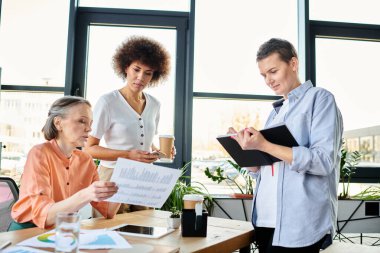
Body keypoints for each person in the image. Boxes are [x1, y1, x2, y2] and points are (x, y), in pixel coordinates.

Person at [229, 38, 343, 253]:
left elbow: (324, 161)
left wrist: (265, 145)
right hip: (265, 222)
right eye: (264, 75)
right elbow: (270, 169)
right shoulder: (276, 112)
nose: (268, 80)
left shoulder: (320, 99)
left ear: (293, 64)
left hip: (300, 227)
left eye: (273, 71)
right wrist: (247, 153)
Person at [84, 36, 173, 213]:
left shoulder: (155, 104)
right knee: (108, 232)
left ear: (154, 76)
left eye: (148, 73)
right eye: (136, 69)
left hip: (144, 179)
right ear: (126, 67)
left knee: (144, 231)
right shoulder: (108, 102)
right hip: (112, 176)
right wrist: (128, 155)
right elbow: (89, 148)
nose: (141, 77)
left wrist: (159, 152)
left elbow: (145, 143)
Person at [10, 96, 121, 230]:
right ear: (58, 123)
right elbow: (44, 215)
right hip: (28, 230)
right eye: (82, 121)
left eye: (90, 124)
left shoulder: (86, 160)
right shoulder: (39, 153)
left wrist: (127, 187)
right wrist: (87, 194)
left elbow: (108, 211)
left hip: (63, 230)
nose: (89, 129)